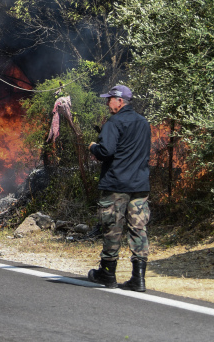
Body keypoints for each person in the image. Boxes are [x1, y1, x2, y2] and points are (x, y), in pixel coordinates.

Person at [86, 84, 151, 292]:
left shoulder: (113, 122)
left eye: (109, 99)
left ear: (120, 101)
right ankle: (138, 278)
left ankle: (107, 273)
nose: (107, 103)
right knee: (138, 229)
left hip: (116, 185)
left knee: (112, 228)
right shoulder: (144, 123)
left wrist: (92, 147)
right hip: (140, 185)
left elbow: (106, 151)